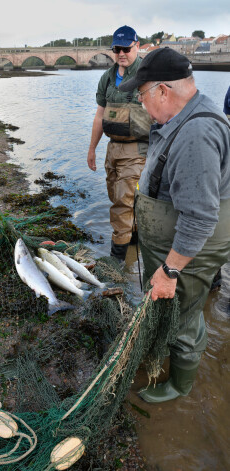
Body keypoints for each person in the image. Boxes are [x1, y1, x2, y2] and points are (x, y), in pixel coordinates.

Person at [119, 48, 230, 403]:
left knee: (183, 315)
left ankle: (180, 386)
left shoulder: (197, 134)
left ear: (163, 91)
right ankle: (161, 352)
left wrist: (169, 270)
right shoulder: (179, 117)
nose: (140, 102)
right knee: (171, 309)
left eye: (141, 94)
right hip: (170, 237)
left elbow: (199, 217)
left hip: (189, 249)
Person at [87, 25, 152, 262]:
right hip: (112, 148)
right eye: (117, 48)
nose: (121, 53)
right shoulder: (107, 78)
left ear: (136, 46)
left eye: (126, 48)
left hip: (138, 150)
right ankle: (133, 244)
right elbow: (99, 115)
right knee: (116, 196)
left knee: (123, 203)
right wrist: (92, 148)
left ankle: (116, 262)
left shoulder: (147, 75)